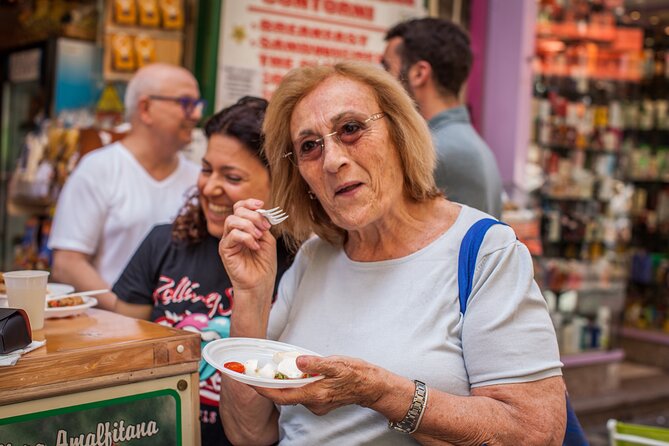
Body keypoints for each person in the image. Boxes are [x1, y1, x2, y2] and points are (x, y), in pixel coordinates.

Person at [217, 61, 566, 445]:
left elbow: (536, 433)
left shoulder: (484, 251)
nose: (333, 161)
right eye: (309, 147)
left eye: (350, 129)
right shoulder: (315, 256)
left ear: (399, 134)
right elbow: (248, 433)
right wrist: (251, 294)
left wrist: (381, 393)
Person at [112, 96, 293, 446]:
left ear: (280, 183)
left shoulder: (300, 264)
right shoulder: (162, 243)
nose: (210, 187)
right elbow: (122, 354)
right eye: (207, 169)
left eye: (233, 176)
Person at [48, 63, 202, 310]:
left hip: (180, 330)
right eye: (185, 103)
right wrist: (124, 309)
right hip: (109, 330)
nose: (195, 115)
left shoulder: (199, 179)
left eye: (197, 104)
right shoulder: (98, 169)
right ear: (146, 108)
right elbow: (67, 263)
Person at [382, 17, 503, 218]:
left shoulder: (436, 150)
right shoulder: (466, 142)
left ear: (419, 73)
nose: (382, 81)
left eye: (387, 69)